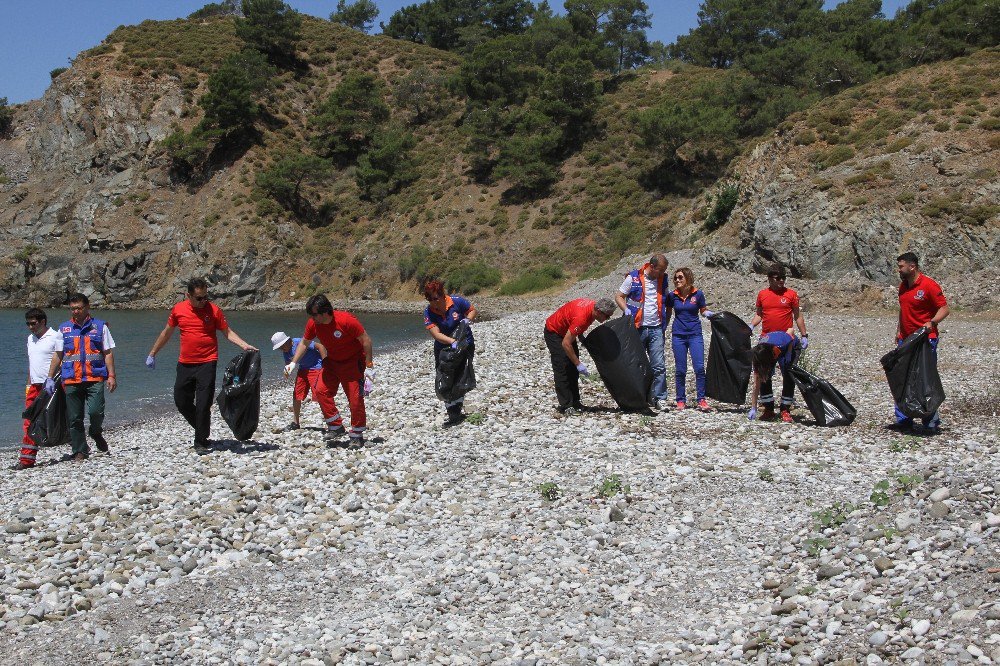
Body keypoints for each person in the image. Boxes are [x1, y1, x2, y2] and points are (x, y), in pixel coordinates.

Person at [146, 278, 257, 453]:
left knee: (204, 403)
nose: (203, 301)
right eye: (199, 298)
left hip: (208, 362)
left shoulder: (214, 311)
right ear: (188, 295)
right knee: (181, 401)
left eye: (206, 297)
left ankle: (200, 441)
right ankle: (202, 427)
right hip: (185, 363)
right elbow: (166, 333)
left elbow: (227, 332)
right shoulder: (178, 310)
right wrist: (153, 353)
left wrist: (244, 345)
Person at [284, 294, 374, 447]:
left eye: (314, 314)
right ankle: (335, 426)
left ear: (325, 312)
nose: (312, 318)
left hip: (353, 362)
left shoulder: (346, 320)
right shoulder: (313, 324)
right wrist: (293, 363)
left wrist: (369, 365)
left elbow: (366, 340)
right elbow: (304, 343)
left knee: (355, 399)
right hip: (332, 361)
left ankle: (357, 434)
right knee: (320, 391)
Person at [44, 293, 117, 462]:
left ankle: (95, 431)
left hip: (95, 378)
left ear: (87, 307)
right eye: (72, 309)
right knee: (74, 418)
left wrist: (111, 375)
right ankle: (80, 450)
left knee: (95, 411)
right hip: (71, 379)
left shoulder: (100, 327)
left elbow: (107, 353)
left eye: (78, 308)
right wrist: (49, 377)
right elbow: (58, 355)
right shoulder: (64, 329)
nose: (75, 311)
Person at [893, 252, 949, 432]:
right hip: (906, 340)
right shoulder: (903, 286)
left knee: (925, 380)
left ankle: (930, 421)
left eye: (901, 266)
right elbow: (903, 310)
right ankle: (904, 419)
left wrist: (932, 323)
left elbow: (944, 309)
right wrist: (898, 330)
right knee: (902, 378)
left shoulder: (928, 285)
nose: (899, 270)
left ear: (912, 266)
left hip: (925, 339)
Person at [749, 263, 808, 422]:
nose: (781, 281)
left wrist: (804, 335)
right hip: (767, 341)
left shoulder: (791, 294)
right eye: (778, 278)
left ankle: (785, 409)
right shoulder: (762, 295)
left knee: (788, 374)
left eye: (784, 278)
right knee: (764, 374)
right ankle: (768, 408)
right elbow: (759, 315)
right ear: (769, 279)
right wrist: (751, 325)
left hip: (787, 341)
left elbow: (798, 316)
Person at [615, 254, 671, 410]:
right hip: (637, 328)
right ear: (652, 267)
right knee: (636, 364)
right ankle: (638, 397)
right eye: (661, 270)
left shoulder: (663, 279)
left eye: (664, 270)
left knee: (658, 365)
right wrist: (626, 310)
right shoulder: (633, 278)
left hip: (656, 328)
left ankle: (659, 398)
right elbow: (619, 296)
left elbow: (666, 302)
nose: (663, 273)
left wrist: (665, 322)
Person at [543, 297, 616, 414]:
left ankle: (575, 402)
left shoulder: (592, 309)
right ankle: (566, 406)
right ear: (598, 311)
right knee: (563, 367)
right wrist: (578, 364)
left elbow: (575, 324)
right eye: (607, 316)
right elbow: (566, 343)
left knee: (572, 369)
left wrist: (581, 337)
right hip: (554, 332)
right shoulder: (582, 317)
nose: (608, 318)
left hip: (567, 331)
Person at [423, 280, 477, 426]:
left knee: (461, 374)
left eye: (435, 298)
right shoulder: (428, 312)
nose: (433, 302)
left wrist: (467, 321)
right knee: (445, 377)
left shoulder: (457, 302)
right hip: (444, 348)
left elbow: (472, 310)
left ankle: (457, 407)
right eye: (429, 299)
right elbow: (435, 334)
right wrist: (452, 341)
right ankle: (451, 409)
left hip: (465, 344)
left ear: (442, 295)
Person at [15, 308, 61, 470]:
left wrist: (54, 381)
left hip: (51, 385)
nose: (30, 327)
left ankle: (79, 448)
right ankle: (26, 460)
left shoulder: (55, 336)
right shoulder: (30, 339)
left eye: (33, 323)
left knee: (56, 420)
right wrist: (28, 385)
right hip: (34, 386)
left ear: (43, 322)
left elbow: (62, 361)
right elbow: (32, 364)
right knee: (29, 421)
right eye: (28, 324)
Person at [666, 267, 715, 411]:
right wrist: (663, 328)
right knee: (680, 369)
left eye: (680, 277)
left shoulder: (698, 294)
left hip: (695, 334)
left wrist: (710, 315)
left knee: (699, 368)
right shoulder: (671, 296)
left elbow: (703, 310)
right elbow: (668, 314)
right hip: (678, 335)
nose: (677, 280)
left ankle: (701, 400)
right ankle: (680, 400)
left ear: (688, 278)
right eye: (675, 278)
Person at [271, 331, 327, 432]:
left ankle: (331, 421)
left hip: (316, 367)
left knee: (319, 394)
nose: (282, 349)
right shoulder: (285, 351)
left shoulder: (299, 342)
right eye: (279, 348)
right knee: (296, 394)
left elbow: (320, 347)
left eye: (282, 346)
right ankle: (296, 423)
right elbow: (288, 364)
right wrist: (287, 372)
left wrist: (326, 365)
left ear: (288, 341)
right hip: (303, 369)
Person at [747, 331, 800, 421]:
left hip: (790, 347)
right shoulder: (758, 354)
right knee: (764, 377)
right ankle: (769, 409)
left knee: (788, 376)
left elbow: (791, 331)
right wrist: (753, 408)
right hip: (770, 351)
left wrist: (789, 352)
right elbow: (756, 385)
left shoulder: (781, 343)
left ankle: (785, 409)